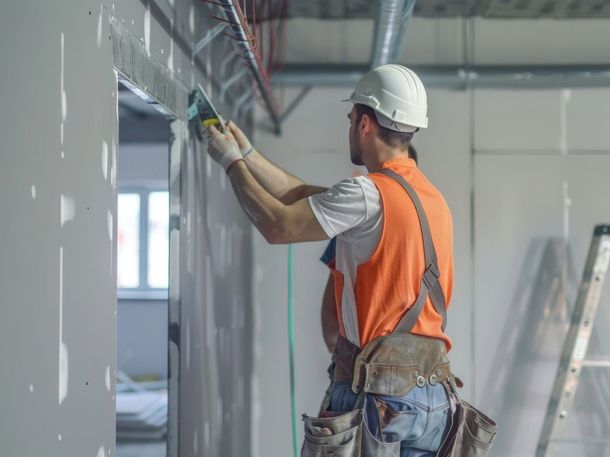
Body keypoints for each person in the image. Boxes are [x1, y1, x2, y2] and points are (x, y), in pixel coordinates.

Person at [207, 64, 454, 456]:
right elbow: (302, 194)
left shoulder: (368, 194)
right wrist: (249, 155)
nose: (350, 125)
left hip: (381, 397)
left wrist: (230, 164)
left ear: (365, 123)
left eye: (351, 116)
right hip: (433, 397)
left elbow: (278, 226)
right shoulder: (429, 199)